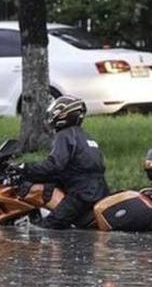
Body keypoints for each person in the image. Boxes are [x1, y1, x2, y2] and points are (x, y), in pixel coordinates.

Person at [10, 96, 110, 230]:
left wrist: (25, 168)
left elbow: (54, 165)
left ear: (62, 114)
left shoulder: (65, 135)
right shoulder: (86, 137)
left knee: (48, 227)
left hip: (81, 194)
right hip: (100, 191)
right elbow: (73, 168)